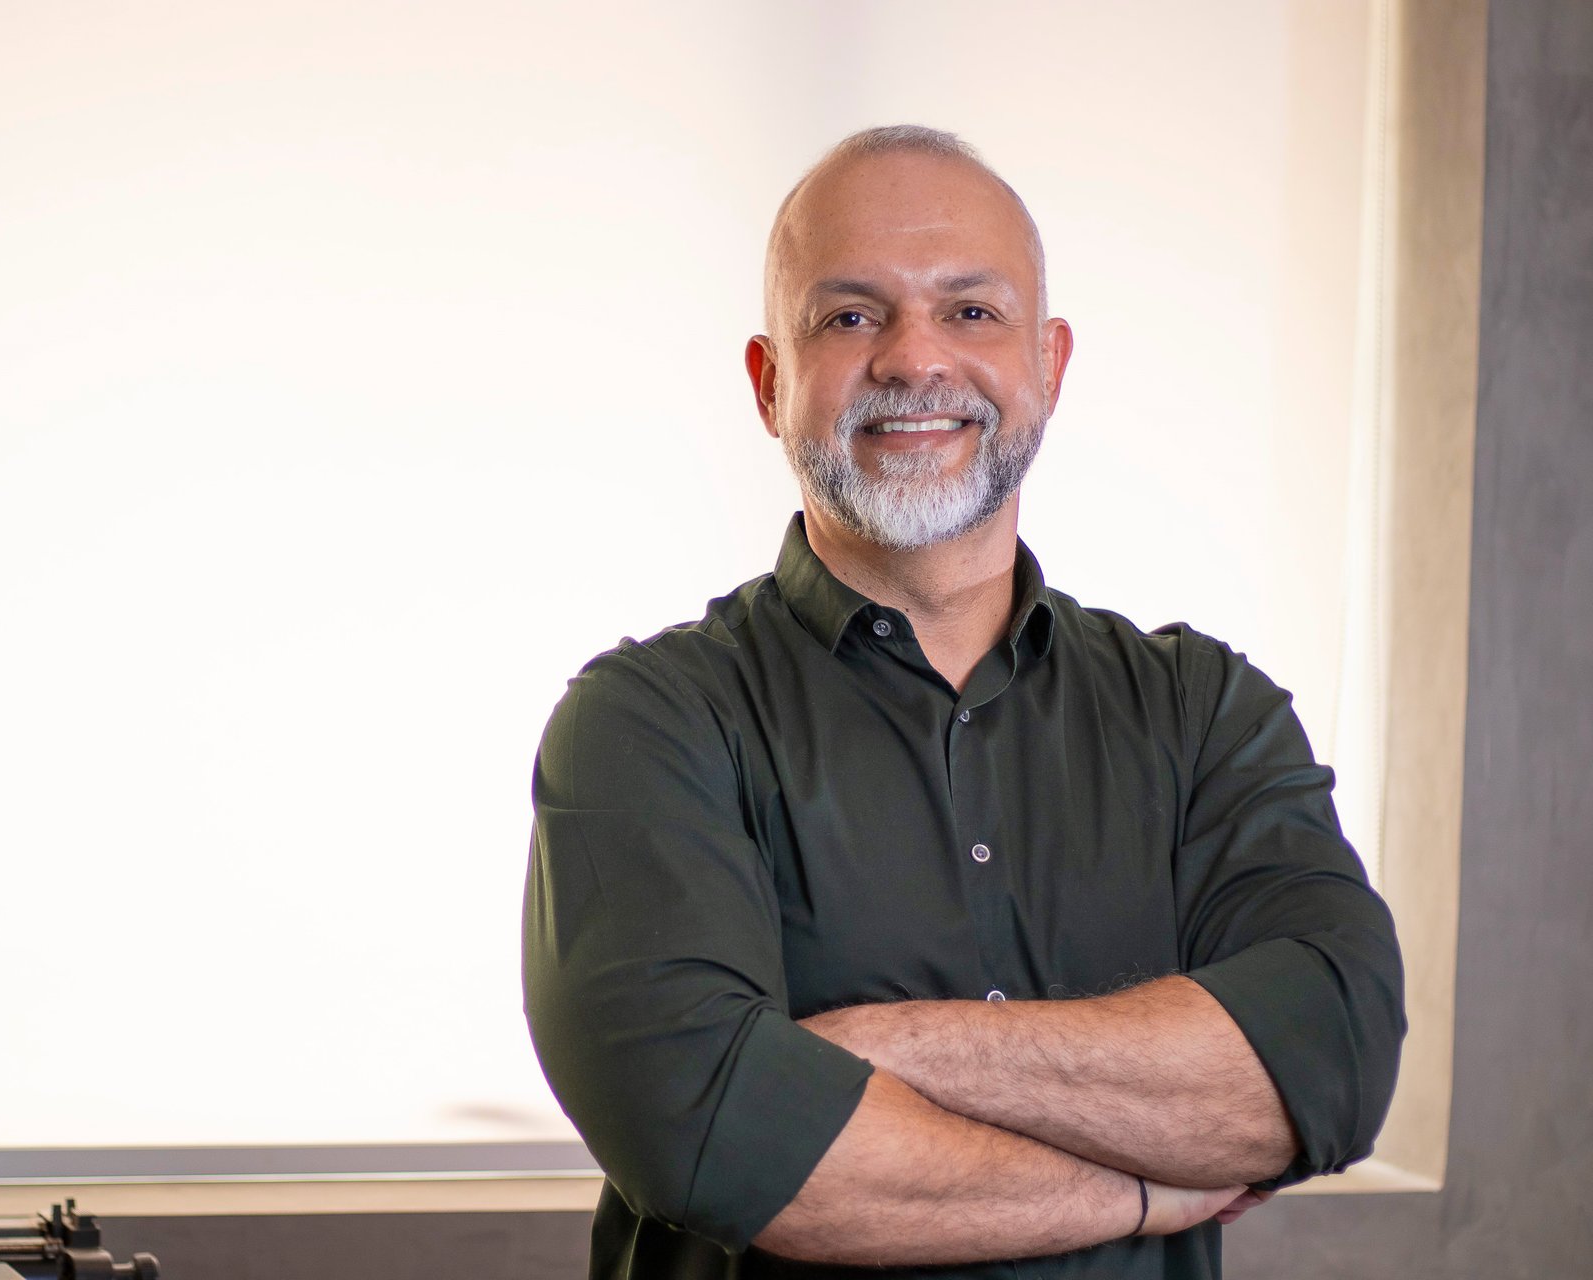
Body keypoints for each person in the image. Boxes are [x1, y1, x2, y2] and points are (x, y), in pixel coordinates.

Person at [521, 125, 1406, 1279]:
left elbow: (1330, 1062)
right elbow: (714, 1135)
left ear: (1051, 365)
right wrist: (1150, 1185)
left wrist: (878, 1048)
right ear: (768, 381)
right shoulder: (647, 724)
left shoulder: (1205, 715)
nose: (913, 359)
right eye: (849, 316)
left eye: (971, 312)